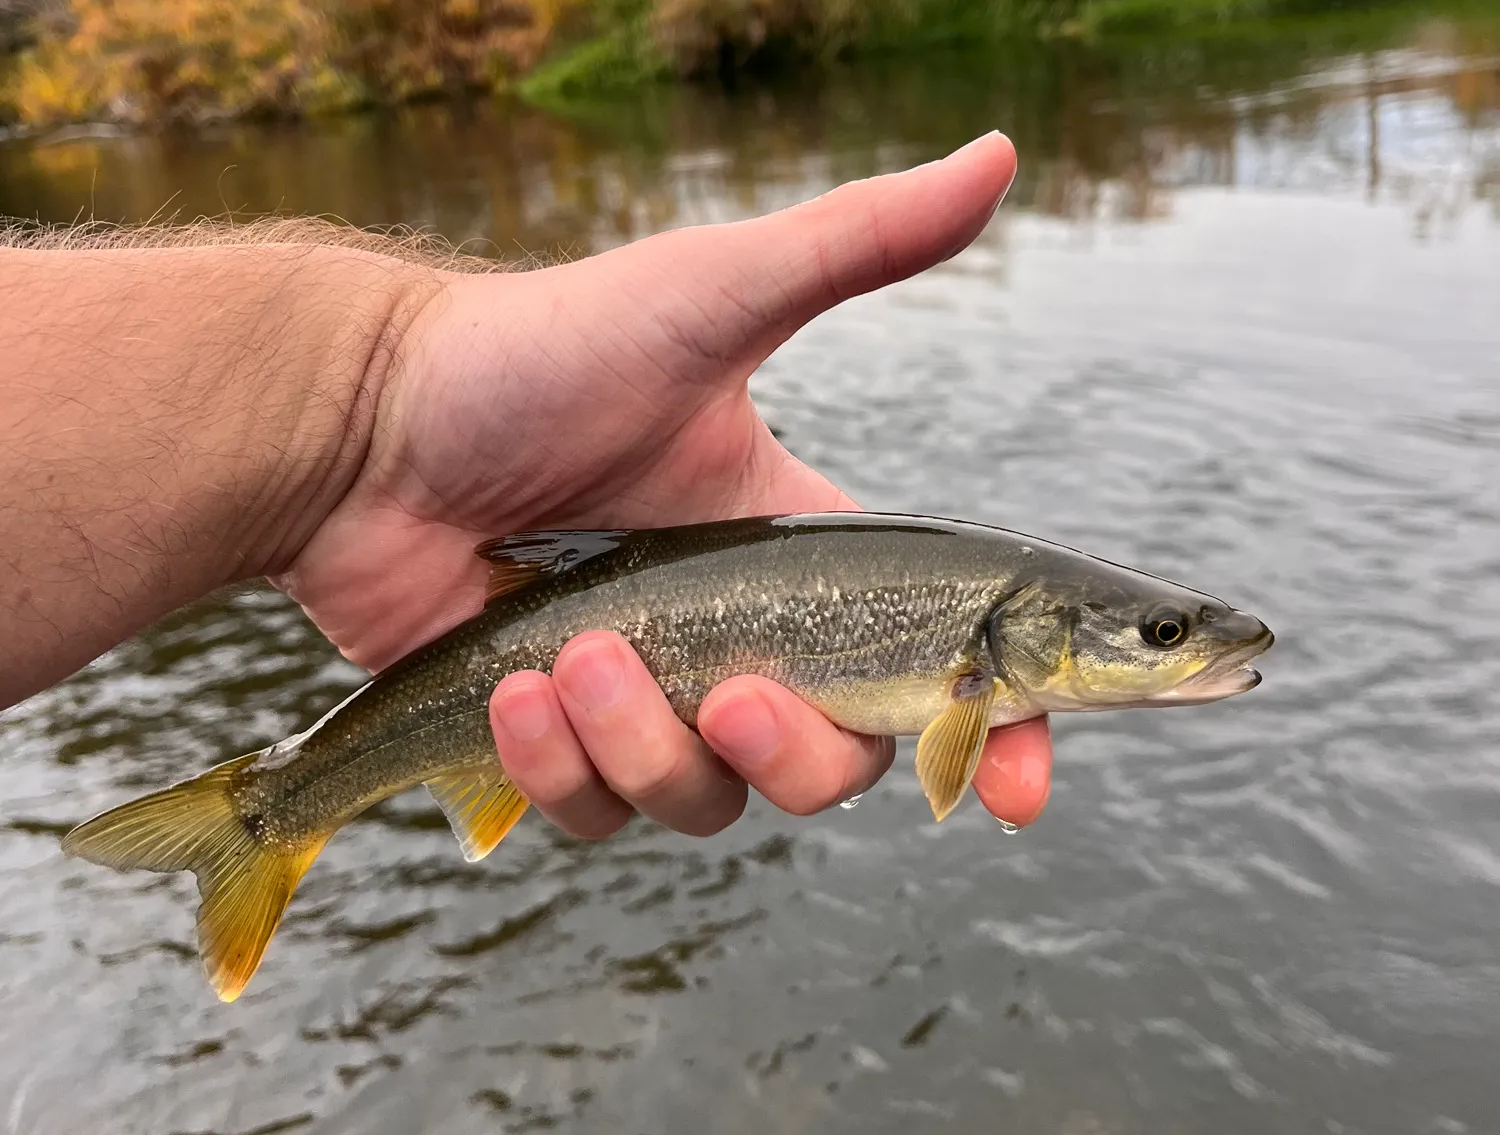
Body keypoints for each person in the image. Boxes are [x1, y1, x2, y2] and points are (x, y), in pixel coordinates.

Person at [1, 130, 1049, 839]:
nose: (1181, 649)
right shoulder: (985, 636)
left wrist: (363, 416)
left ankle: (284, 802)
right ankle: (275, 808)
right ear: (1012, 644)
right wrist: (363, 407)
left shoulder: (992, 630)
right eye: (1159, 637)